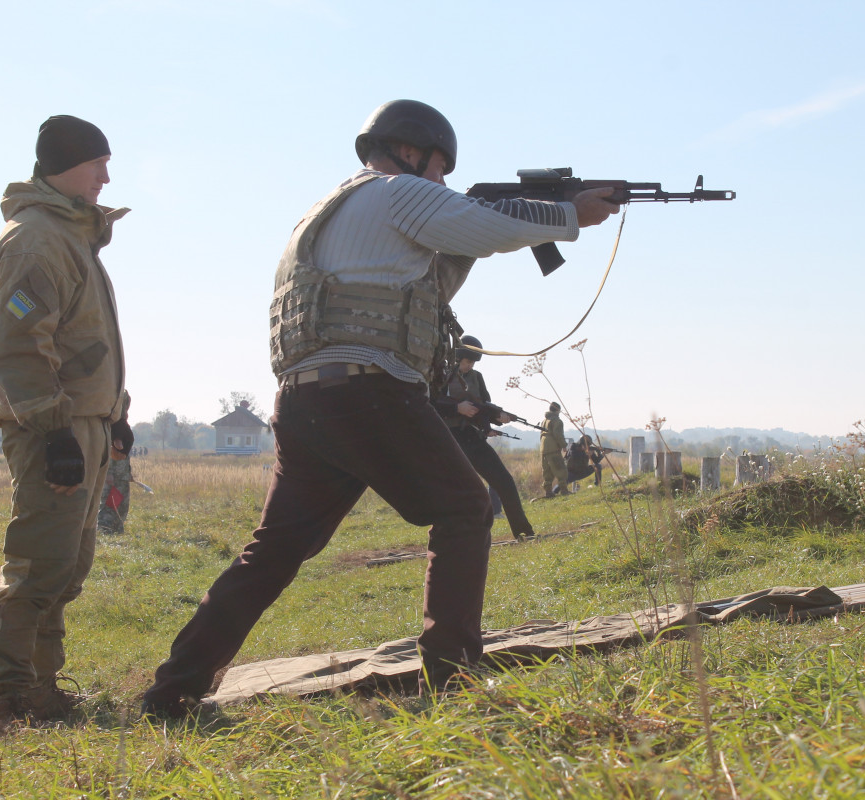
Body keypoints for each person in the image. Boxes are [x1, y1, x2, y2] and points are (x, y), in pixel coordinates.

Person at [141, 99, 617, 715]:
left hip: (307, 400)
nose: (441, 182)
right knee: (465, 508)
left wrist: (508, 224)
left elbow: (430, 283)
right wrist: (569, 213)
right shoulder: (396, 192)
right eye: (438, 169)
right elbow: (487, 225)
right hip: (368, 391)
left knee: (275, 549)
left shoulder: (324, 212)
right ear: (408, 152)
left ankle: (172, 690)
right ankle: (453, 684)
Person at [0, 115, 134, 735]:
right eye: (98, 164)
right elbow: (20, 348)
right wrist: (55, 431)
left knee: (66, 568)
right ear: (66, 164)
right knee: (38, 566)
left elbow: (83, 340)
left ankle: (41, 691)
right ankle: (9, 698)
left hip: (85, 423)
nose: (106, 178)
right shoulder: (36, 240)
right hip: (54, 429)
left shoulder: (71, 236)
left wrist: (116, 416)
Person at [434, 335, 536, 541]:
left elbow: (483, 407)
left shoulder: (476, 377)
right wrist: (456, 408)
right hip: (448, 438)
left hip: (472, 437)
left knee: (504, 481)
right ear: (457, 357)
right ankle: (453, 539)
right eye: (467, 361)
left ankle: (522, 530)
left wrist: (497, 418)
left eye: (473, 362)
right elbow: (430, 402)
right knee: (457, 492)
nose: (470, 365)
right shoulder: (441, 374)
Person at [97, 394, 133, 534]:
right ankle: (104, 529)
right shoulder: (110, 426)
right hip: (111, 475)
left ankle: (117, 528)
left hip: (122, 475)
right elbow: (107, 451)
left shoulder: (122, 426)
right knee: (108, 504)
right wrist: (108, 473)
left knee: (122, 504)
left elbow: (124, 454)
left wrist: (128, 472)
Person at [539, 402, 568, 497]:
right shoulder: (557, 421)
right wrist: (564, 445)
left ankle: (548, 492)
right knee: (560, 469)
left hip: (543, 448)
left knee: (547, 471)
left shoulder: (544, 420)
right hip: (553, 448)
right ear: (558, 410)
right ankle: (564, 490)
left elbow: (541, 435)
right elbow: (558, 435)